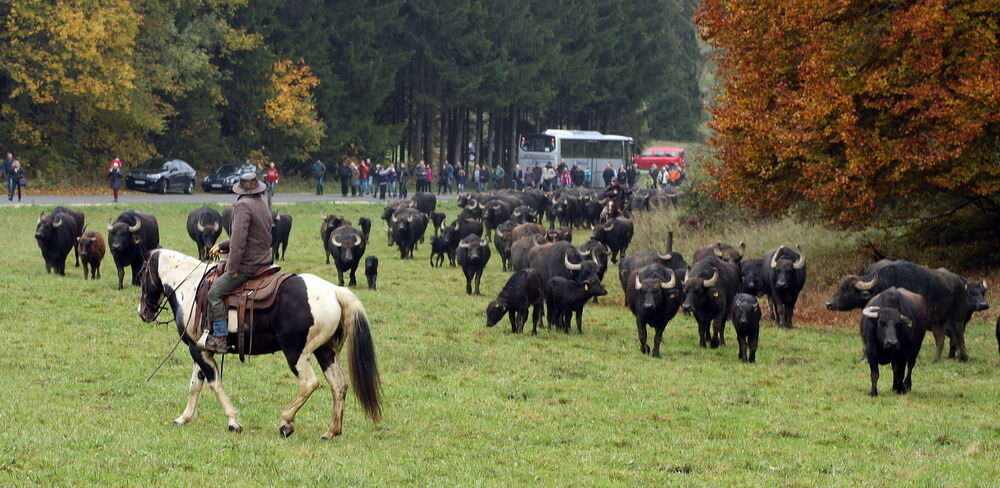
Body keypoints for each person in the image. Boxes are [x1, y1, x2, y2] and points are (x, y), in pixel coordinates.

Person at [204, 173, 273, 353]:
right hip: (264, 262)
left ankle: (220, 338)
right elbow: (247, 238)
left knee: (214, 293)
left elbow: (239, 242)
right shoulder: (261, 203)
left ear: (241, 188)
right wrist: (221, 245)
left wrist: (232, 269)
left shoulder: (242, 205)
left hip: (248, 265)